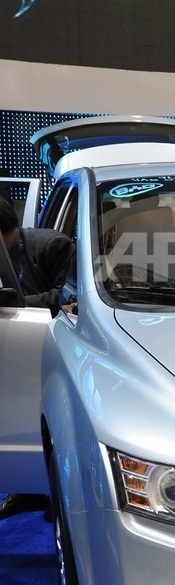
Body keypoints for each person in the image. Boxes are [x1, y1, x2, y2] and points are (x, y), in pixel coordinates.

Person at [0, 196, 74, 519]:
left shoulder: (53, 245)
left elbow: (66, 296)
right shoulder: (8, 252)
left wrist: (19, 304)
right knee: (21, 412)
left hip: (59, 343)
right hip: (22, 345)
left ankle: (56, 485)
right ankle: (25, 486)